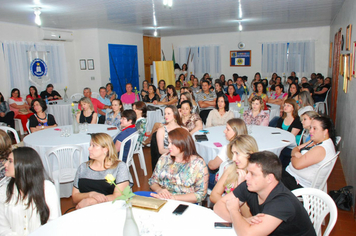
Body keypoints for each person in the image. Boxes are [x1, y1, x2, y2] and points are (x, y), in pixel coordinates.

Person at [214, 151, 316, 236]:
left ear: (269, 178)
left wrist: (234, 210)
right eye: (248, 172)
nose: (246, 177)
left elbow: (247, 234)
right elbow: (218, 207)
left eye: (253, 174)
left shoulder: (282, 202)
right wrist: (245, 220)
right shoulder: (250, 185)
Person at [0, 147, 60, 234]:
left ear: (23, 165)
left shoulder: (47, 188)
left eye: (10, 161)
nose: (5, 164)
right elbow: (2, 228)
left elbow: (54, 223)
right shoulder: (3, 192)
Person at [72, 133, 132, 209]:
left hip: (111, 209)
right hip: (86, 210)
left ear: (105, 149)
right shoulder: (83, 167)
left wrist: (91, 201)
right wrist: (91, 194)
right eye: (90, 145)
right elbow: (74, 197)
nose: (89, 148)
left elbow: (119, 196)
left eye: (93, 146)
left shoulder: (119, 167)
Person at [149, 128, 208, 203]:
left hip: (185, 202)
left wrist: (174, 198)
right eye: (168, 143)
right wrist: (159, 190)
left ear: (183, 144)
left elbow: (201, 194)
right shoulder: (164, 158)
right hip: (162, 199)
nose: (169, 147)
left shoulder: (198, 163)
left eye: (172, 143)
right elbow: (153, 181)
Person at [282, 116, 336, 190]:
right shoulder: (315, 140)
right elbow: (296, 148)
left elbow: (297, 165)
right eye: (310, 128)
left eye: (315, 128)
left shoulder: (321, 149)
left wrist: (293, 156)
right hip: (292, 176)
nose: (310, 131)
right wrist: (296, 154)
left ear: (325, 131)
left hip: (298, 184)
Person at [210, 135, 258, 204]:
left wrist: (241, 187)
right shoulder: (231, 169)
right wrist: (230, 207)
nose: (233, 159)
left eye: (237, 153)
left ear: (250, 154)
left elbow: (248, 213)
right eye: (233, 153)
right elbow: (213, 195)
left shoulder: (257, 178)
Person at [151, 105, 183, 170]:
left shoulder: (183, 129)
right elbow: (161, 150)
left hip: (181, 158)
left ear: (175, 114)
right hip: (168, 159)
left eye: (168, 113)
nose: (166, 116)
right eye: (165, 114)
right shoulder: (161, 130)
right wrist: (176, 153)